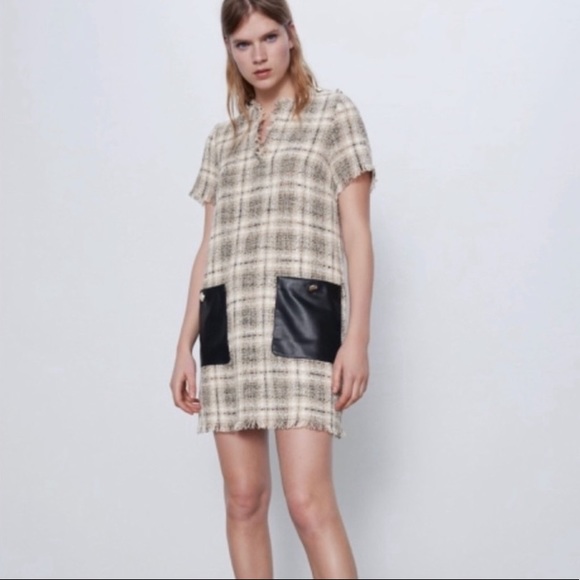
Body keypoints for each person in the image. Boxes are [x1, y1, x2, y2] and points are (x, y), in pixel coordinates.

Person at [170, 0, 375, 577]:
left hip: (301, 325)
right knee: (243, 501)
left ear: (291, 35)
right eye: (242, 44)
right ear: (229, 51)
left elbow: (357, 234)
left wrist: (357, 338)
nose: (258, 55)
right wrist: (183, 345)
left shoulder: (333, 114)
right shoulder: (223, 140)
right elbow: (208, 247)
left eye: (268, 37)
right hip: (229, 329)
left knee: (309, 504)